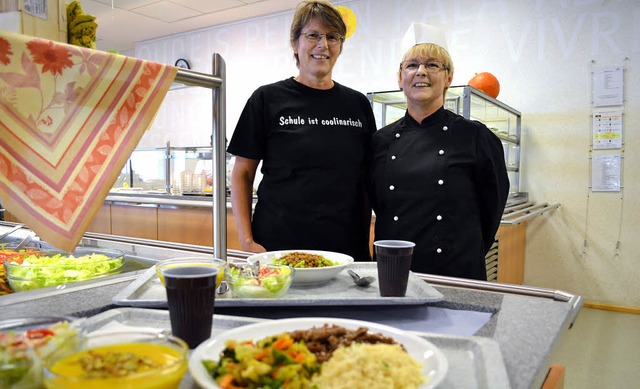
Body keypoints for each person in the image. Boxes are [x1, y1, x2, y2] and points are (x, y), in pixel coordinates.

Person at [227, 1, 376, 261]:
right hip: (279, 246)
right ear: (295, 43)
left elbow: (369, 176)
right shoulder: (267, 99)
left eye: (332, 37)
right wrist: (246, 239)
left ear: (340, 46)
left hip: (345, 248)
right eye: (313, 35)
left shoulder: (358, 104)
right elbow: (242, 173)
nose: (323, 45)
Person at [370, 43, 509, 280]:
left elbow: (492, 206)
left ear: (448, 78)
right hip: (395, 268)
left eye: (432, 65)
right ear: (400, 79)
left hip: (456, 269)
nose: (421, 72)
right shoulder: (379, 141)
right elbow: (374, 202)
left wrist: (465, 251)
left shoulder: (475, 137)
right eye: (412, 65)